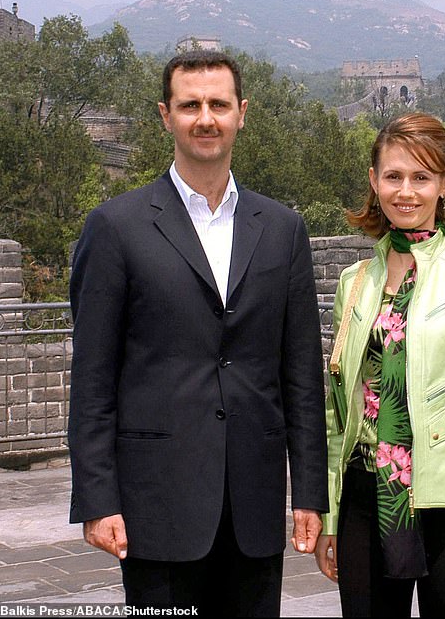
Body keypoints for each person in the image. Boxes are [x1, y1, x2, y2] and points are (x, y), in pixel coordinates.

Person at [68, 50, 328, 617]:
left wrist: (310, 493)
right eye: (190, 105)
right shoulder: (115, 227)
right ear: (166, 115)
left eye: (218, 104)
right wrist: (96, 498)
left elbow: (301, 375)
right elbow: (92, 378)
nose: (205, 118)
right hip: (155, 502)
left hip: (254, 505)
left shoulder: (282, 229)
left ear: (242, 113)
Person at [315, 112, 445, 618]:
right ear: (374, 181)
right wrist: (330, 518)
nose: (405, 191)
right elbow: (338, 413)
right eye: (394, 176)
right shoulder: (354, 282)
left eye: (421, 177)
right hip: (365, 497)